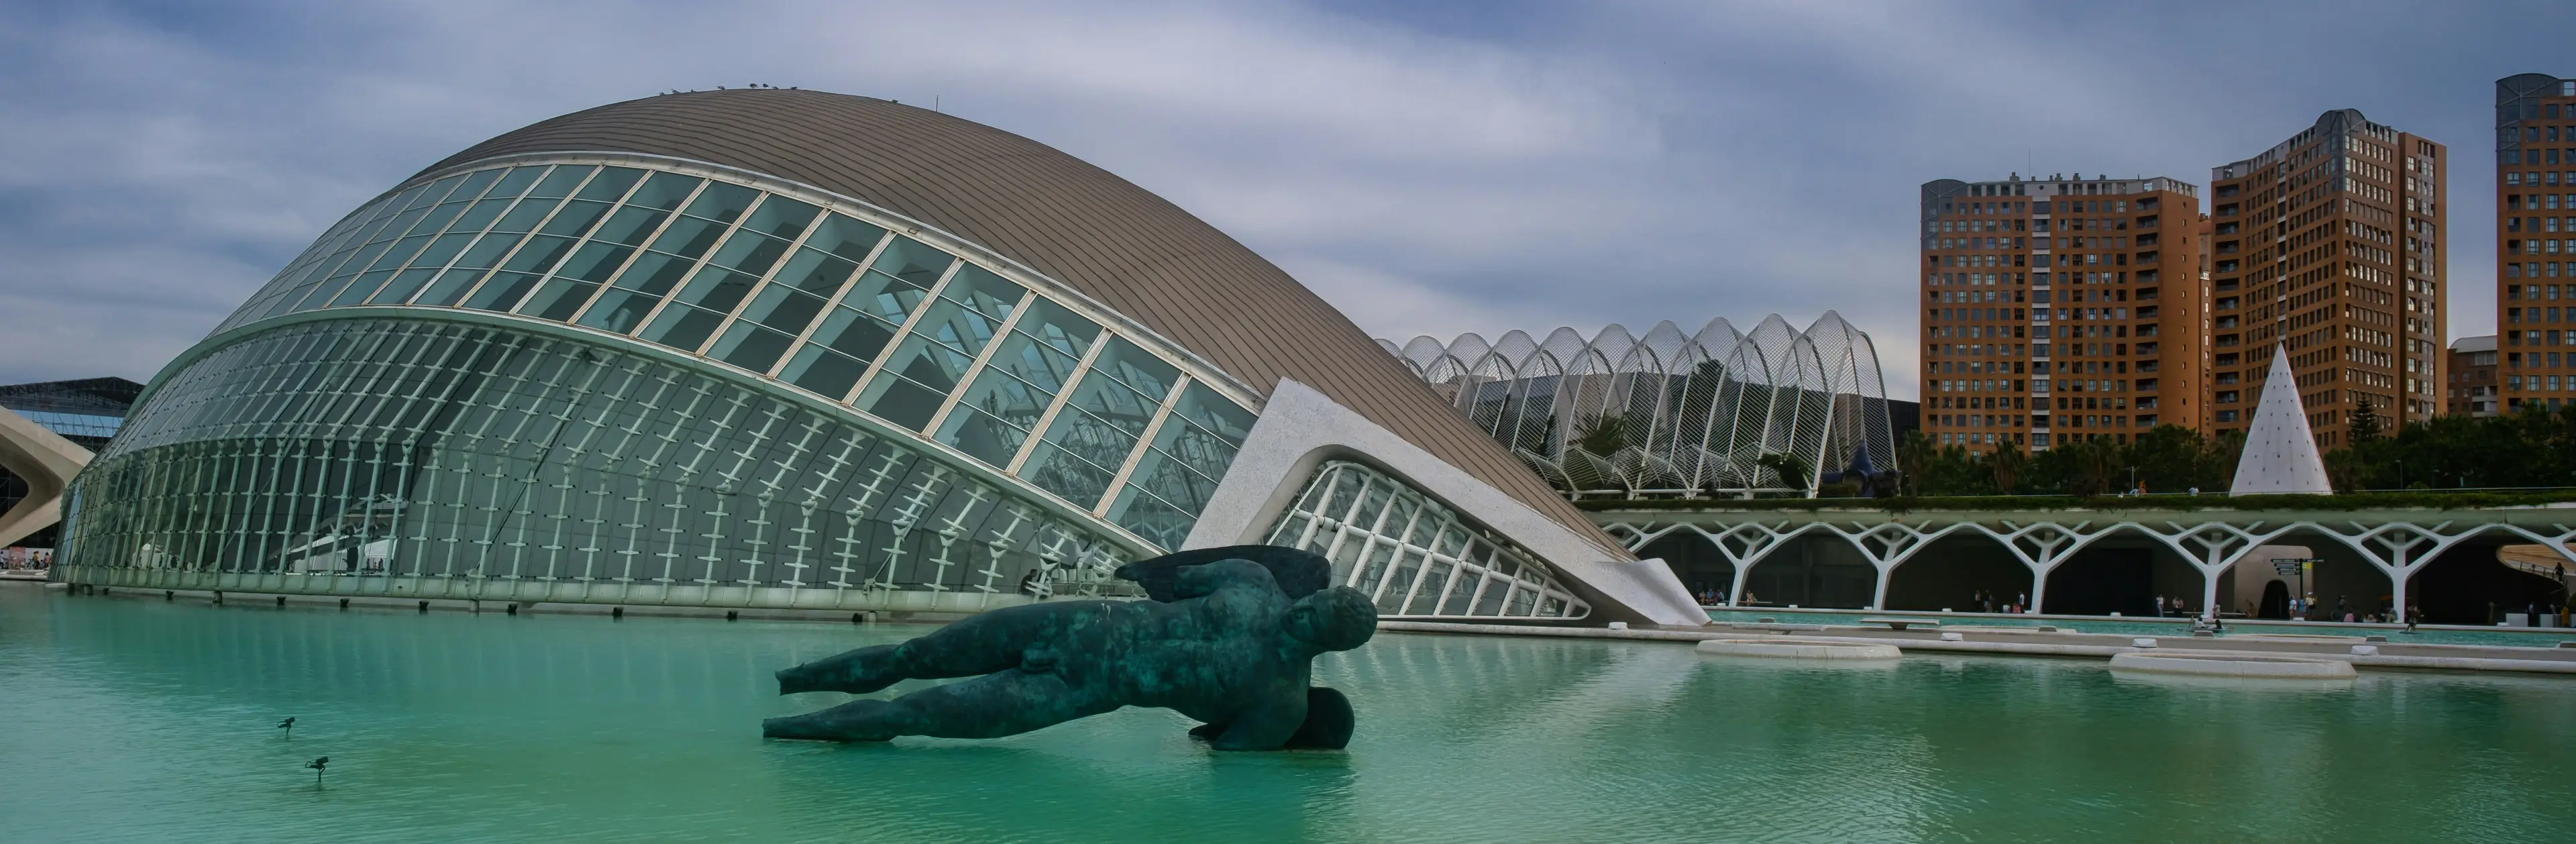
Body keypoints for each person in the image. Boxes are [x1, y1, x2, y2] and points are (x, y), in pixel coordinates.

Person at [766, 556, 1377, 749]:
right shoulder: (1252, 581)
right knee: (915, 654)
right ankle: (791, 680)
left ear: (1329, 643)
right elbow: (1173, 580)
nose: (1303, 612)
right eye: (1314, 602)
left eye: (1316, 622)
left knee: (915, 715)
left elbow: (1225, 757)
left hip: (1079, 690)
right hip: (1078, 622)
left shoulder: (1281, 702)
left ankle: (785, 730)